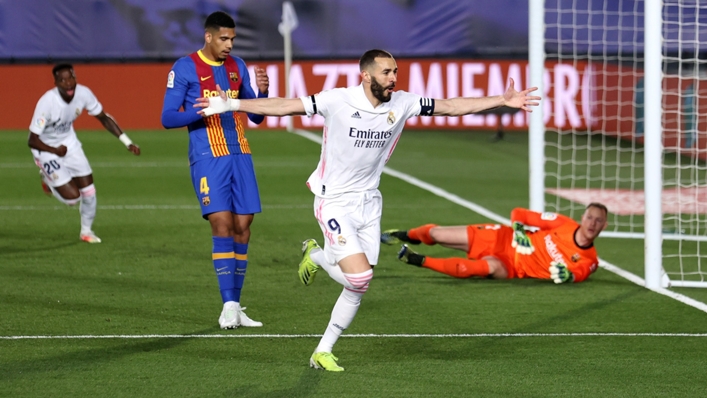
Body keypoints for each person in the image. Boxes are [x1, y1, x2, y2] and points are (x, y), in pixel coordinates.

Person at [194, 49, 540, 371]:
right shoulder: (338, 100)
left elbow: (449, 105)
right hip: (334, 201)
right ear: (365, 75)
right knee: (360, 277)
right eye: (387, 72)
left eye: (396, 72)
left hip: (369, 203)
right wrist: (233, 104)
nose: (394, 78)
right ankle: (319, 273)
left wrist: (502, 100)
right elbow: (286, 105)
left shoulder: (403, 103)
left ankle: (322, 344)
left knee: (358, 284)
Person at [160, 11, 269, 330]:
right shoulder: (184, 67)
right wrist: (206, 111)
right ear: (208, 37)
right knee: (222, 224)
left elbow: (257, 116)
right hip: (208, 154)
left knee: (243, 226)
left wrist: (260, 93)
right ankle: (227, 306)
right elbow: (168, 117)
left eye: (233, 39)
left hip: (241, 153)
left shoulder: (238, 67)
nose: (229, 45)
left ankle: (235, 304)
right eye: (224, 38)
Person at [28, 63, 141, 244]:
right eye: (62, 80)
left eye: (71, 78)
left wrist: (127, 142)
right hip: (45, 149)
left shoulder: (83, 93)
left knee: (89, 192)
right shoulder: (47, 102)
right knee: (73, 199)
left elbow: (104, 118)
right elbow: (32, 140)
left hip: (69, 144)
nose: (68, 83)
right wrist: (54, 150)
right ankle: (47, 178)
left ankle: (86, 231)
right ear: (56, 82)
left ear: (75, 77)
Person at [383, 204, 608, 284]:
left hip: (513, 267)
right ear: (583, 217)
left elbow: (579, 273)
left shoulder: (590, 260)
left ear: (604, 226)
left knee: (479, 268)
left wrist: (568, 276)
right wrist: (519, 231)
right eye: (590, 217)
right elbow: (519, 213)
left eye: (598, 221)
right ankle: (405, 234)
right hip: (502, 237)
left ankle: (417, 259)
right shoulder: (563, 224)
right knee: (436, 233)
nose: (592, 223)